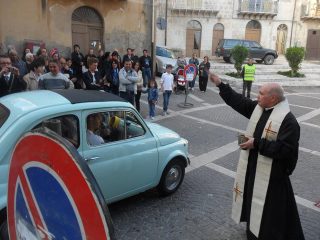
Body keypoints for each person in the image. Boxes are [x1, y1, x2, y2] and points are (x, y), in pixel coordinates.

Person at [210, 73, 305, 240]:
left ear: (274, 99)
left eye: (261, 94)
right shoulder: (260, 109)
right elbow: (239, 102)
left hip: (273, 179)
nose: (257, 96)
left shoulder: (288, 121)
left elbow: (286, 150)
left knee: (270, 217)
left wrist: (257, 144)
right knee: (253, 206)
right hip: (254, 170)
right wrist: (220, 84)